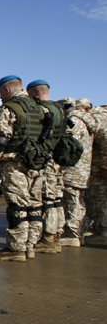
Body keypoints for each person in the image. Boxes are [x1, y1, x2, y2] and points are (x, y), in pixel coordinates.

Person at [0, 76, 45, 261]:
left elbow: (2, 139)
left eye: (1, 93)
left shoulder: (10, 109)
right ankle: (31, 245)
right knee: (35, 205)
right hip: (37, 162)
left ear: (7, 90)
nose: (1, 97)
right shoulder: (40, 108)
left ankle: (16, 248)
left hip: (14, 163)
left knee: (17, 205)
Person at [26, 79, 67, 253]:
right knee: (56, 198)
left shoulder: (42, 111)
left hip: (43, 160)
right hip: (57, 160)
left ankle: (48, 238)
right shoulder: (60, 109)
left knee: (45, 199)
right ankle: (56, 234)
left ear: (36, 92)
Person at [59, 98, 96, 246]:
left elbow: (68, 142)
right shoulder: (90, 123)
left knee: (72, 201)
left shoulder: (76, 121)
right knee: (79, 202)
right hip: (84, 168)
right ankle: (79, 230)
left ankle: (72, 234)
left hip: (73, 168)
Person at [84, 105, 107, 245]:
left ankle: (102, 233)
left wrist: (105, 166)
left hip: (100, 170)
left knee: (99, 200)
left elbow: (105, 139)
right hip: (99, 168)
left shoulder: (100, 116)